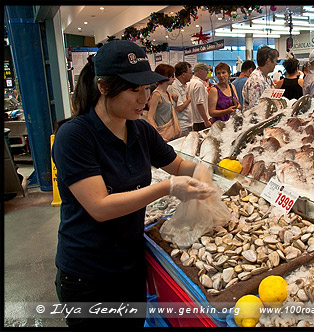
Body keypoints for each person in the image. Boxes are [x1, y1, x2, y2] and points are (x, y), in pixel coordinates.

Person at [51, 40, 215, 329]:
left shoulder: (140, 130)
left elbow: (176, 165)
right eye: (134, 89)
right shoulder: (75, 136)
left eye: (148, 88)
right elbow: (99, 207)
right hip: (88, 276)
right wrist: (167, 188)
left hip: (130, 264)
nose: (146, 98)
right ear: (103, 87)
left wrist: (201, 169)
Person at [147, 64, 181, 141]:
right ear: (165, 76)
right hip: (163, 133)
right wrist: (157, 135)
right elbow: (150, 117)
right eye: (172, 76)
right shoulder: (157, 95)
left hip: (171, 131)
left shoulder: (168, 92)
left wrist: (175, 100)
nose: (174, 78)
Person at [242, 46, 279, 112]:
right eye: (276, 61)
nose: (276, 64)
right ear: (268, 61)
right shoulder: (257, 80)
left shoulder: (263, 77)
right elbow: (255, 109)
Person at [168, 61, 193, 136]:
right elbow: (179, 108)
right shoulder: (174, 86)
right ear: (183, 75)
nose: (191, 75)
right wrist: (189, 100)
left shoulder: (184, 85)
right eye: (190, 73)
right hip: (181, 126)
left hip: (188, 124)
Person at [187, 62, 211, 131]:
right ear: (200, 71)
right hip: (200, 121)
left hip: (193, 119)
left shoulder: (189, 82)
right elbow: (199, 104)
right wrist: (206, 121)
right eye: (206, 71)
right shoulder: (199, 84)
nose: (207, 73)